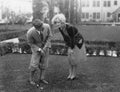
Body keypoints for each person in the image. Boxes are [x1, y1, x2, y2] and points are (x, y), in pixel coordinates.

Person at [52, 13, 87, 80]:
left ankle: (73, 74)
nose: (56, 24)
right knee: (70, 59)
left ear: (62, 21)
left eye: (57, 22)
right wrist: (67, 45)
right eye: (55, 22)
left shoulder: (70, 27)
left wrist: (71, 48)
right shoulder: (60, 28)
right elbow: (65, 37)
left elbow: (73, 38)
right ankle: (70, 74)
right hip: (71, 42)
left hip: (77, 42)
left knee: (74, 59)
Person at [27, 19, 52, 85]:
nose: (42, 28)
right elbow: (30, 43)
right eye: (41, 27)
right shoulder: (30, 32)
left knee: (44, 63)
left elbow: (49, 36)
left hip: (46, 47)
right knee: (34, 64)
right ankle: (31, 79)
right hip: (36, 49)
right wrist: (39, 50)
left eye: (42, 25)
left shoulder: (47, 26)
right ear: (35, 27)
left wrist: (45, 47)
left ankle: (42, 78)